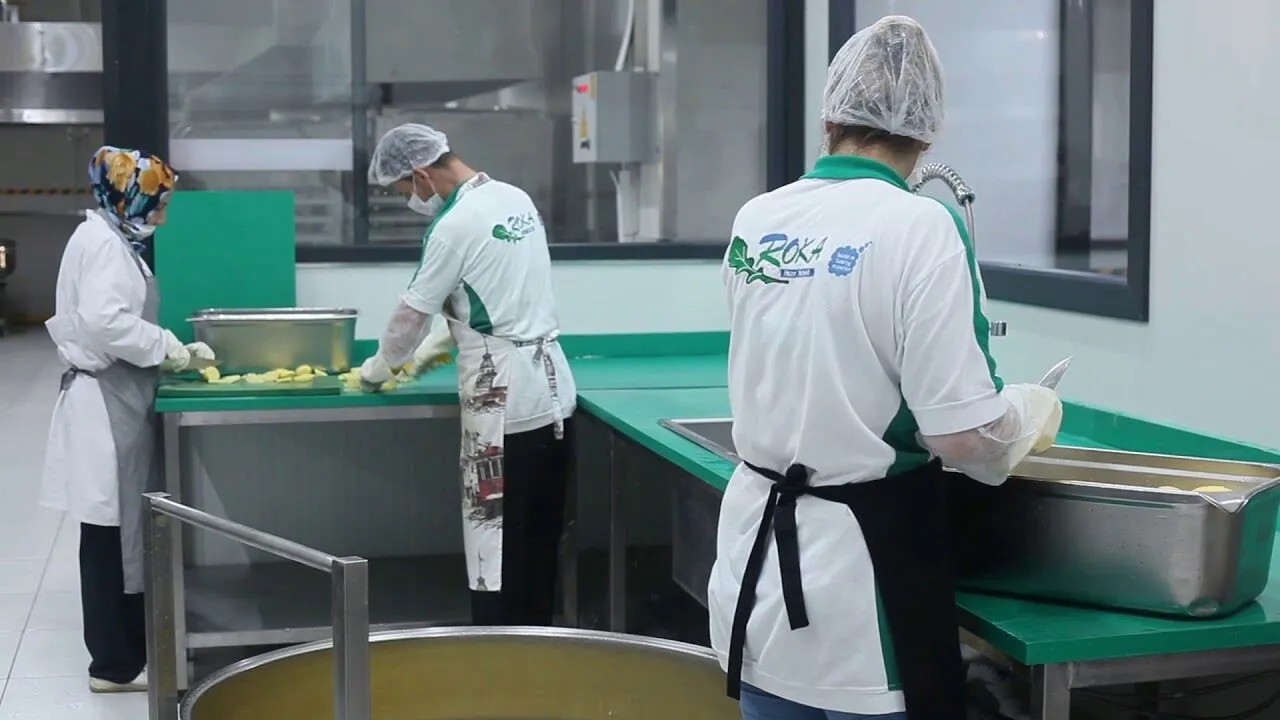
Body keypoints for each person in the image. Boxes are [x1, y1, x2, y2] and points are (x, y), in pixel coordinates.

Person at [707, 16, 1063, 720]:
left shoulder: (759, 218)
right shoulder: (922, 225)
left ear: (830, 116)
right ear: (928, 133)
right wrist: (1026, 415)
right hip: (863, 584)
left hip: (756, 561)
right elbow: (961, 436)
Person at [361, 123, 577, 626]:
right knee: (538, 543)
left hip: (501, 402)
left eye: (404, 190)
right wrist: (438, 346)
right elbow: (497, 299)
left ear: (421, 174)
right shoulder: (514, 199)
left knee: (495, 549)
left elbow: (411, 316)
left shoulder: (453, 225)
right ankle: (539, 652)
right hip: (553, 396)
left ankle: (496, 654)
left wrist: (377, 370)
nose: (410, 200)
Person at [41, 146, 214, 693]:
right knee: (110, 538)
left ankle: (126, 654)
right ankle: (113, 666)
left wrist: (165, 349)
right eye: (158, 200)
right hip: (105, 402)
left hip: (116, 396)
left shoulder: (111, 238)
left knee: (118, 535)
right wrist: (168, 346)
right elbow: (106, 322)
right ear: (129, 195)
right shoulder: (103, 244)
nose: (163, 211)